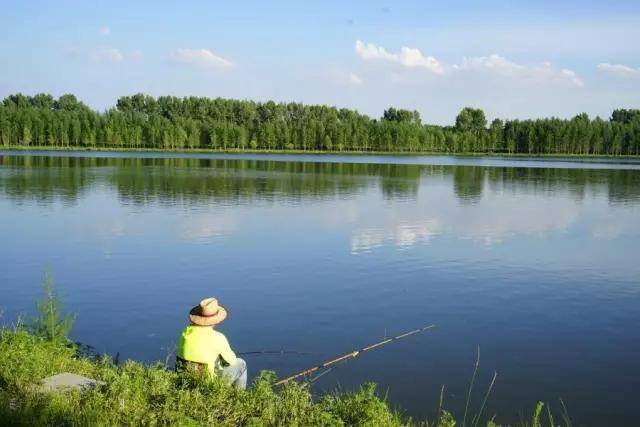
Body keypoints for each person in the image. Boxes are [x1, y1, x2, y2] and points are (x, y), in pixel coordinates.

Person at [176, 297, 247, 390]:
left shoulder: (185, 333)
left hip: (184, 381)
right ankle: (238, 399)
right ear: (216, 319)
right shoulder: (218, 337)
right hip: (208, 386)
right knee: (241, 364)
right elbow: (231, 361)